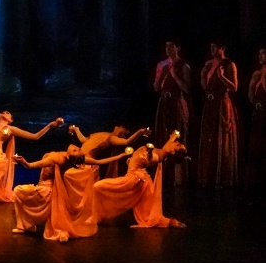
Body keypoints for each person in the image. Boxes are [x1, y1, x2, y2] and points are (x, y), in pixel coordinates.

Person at [11, 144, 130, 242]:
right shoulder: (66, 158)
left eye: (76, 150)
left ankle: (31, 225)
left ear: (69, 157)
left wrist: (24, 162)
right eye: (77, 149)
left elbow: (31, 165)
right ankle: (26, 225)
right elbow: (99, 161)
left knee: (18, 190)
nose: (77, 148)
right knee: (20, 192)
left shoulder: (58, 159)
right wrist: (120, 156)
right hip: (51, 184)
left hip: (50, 187)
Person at [93, 132, 187, 229]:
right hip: (139, 178)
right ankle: (171, 222)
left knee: (98, 186)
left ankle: (93, 214)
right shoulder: (164, 150)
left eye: (178, 145)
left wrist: (149, 152)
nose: (176, 142)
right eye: (178, 143)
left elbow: (150, 159)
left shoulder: (157, 156)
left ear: (172, 151)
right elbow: (170, 143)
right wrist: (174, 136)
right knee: (145, 211)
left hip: (136, 179)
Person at [198, 41, 240, 187]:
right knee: (209, 138)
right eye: (211, 47)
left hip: (222, 103)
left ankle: (223, 177)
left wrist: (222, 77)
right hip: (210, 104)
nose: (212, 49)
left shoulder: (229, 64)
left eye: (215, 47)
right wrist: (203, 76)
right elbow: (206, 87)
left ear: (222, 48)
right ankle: (208, 176)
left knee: (222, 138)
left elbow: (234, 87)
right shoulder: (209, 64)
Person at [153, 41, 192, 184]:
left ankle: (178, 177)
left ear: (178, 48)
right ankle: (163, 175)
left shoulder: (184, 66)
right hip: (164, 102)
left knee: (177, 135)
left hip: (176, 103)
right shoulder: (161, 64)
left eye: (171, 46)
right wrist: (161, 75)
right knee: (163, 134)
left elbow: (187, 88)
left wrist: (174, 75)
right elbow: (156, 87)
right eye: (166, 46)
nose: (168, 49)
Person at [248, 48, 266, 186]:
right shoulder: (256, 73)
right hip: (258, 111)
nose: (261, 56)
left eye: (264, 53)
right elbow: (250, 95)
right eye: (259, 53)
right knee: (257, 144)